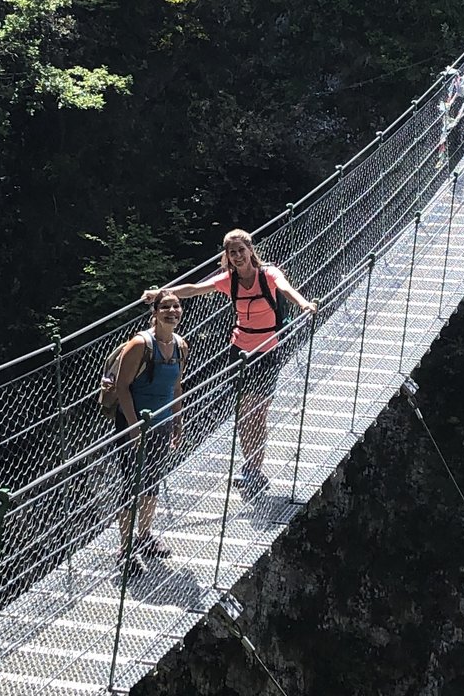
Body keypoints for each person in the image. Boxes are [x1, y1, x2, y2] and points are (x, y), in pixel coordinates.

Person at [146, 229, 315, 501]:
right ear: (227, 255)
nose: (237, 257)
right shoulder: (229, 281)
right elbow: (194, 289)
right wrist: (161, 293)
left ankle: (254, 466)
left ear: (250, 250)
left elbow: (286, 288)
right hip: (239, 351)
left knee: (257, 412)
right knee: (244, 411)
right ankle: (251, 467)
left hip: (267, 350)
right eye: (231, 253)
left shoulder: (268, 275)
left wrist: (304, 304)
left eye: (240, 251)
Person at [112, 290, 187, 576]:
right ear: (154, 312)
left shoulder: (181, 346)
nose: (172, 311)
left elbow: (177, 388)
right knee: (133, 484)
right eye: (165, 306)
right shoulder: (139, 344)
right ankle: (124, 550)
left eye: (176, 306)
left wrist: (178, 422)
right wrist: (133, 429)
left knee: (152, 481)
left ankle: (144, 538)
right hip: (133, 425)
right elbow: (121, 388)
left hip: (162, 423)